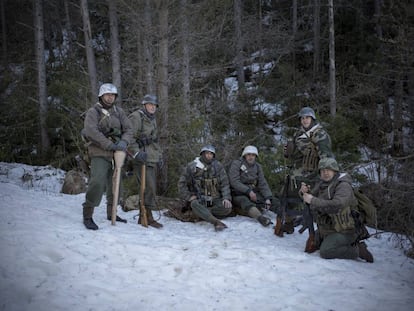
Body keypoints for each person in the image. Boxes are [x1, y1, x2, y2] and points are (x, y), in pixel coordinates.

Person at [299, 157, 374, 262]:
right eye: (323, 170)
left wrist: (313, 200)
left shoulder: (343, 185)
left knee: (326, 251)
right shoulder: (322, 183)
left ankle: (358, 250)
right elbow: (310, 198)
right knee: (311, 246)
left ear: (335, 171)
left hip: (345, 230)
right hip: (328, 228)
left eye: (328, 170)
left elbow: (338, 204)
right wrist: (304, 192)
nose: (325, 173)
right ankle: (328, 240)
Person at [81, 83, 133, 230]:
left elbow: (129, 129)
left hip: (117, 153)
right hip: (99, 152)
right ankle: (88, 215)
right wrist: (108, 145)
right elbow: (91, 131)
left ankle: (112, 213)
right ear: (101, 96)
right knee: (97, 182)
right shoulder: (93, 112)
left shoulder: (119, 112)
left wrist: (123, 141)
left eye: (112, 95)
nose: (110, 97)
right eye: (107, 95)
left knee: (116, 184)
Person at [280, 106, 334, 234]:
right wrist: (288, 152)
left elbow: (326, 158)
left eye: (307, 118)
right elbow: (293, 155)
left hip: (314, 174)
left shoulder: (320, 134)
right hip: (297, 172)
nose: (304, 120)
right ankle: (288, 222)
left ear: (312, 119)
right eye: (302, 118)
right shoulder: (298, 134)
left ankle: (324, 230)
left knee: (316, 201)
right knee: (285, 194)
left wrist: (323, 175)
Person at [178, 145, 233, 231]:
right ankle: (215, 221)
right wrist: (188, 197)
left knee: (227, 208)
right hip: (200, 199)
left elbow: (225, 183)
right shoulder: (192, 166)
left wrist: (226, 198)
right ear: (202, 154)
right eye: (207, 153)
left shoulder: (218, 166)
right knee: (194, 204)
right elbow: (182, 183)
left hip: (214, 198)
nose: (208, 156)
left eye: (211, 154)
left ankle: (203, 213)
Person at [128, 94, 163, 228]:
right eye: (150, 104)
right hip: (141, 159)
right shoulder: (137, 117)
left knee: (151, 188)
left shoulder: (151, 118)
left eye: (154, 105)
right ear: (144, 105)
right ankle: (145, 216)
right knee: (147, 188)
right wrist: (136, 153)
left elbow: (154, 140)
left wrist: (159, 156)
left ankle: (147, 215)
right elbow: (129, 137)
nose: (153, 107)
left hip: (151, 158)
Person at [228, 145, 278, 227]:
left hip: (253, 192)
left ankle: (287, 218)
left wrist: (267, 197)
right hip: (238, 193)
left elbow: (262, 183)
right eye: (249, 155)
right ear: (245, 155)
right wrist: (248, 191)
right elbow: (234, 181)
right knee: (245, 202)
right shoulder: (237, 164)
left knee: (274, 201)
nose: (251, 157)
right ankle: (261, 218)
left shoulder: (258, 167)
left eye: (253, 155)